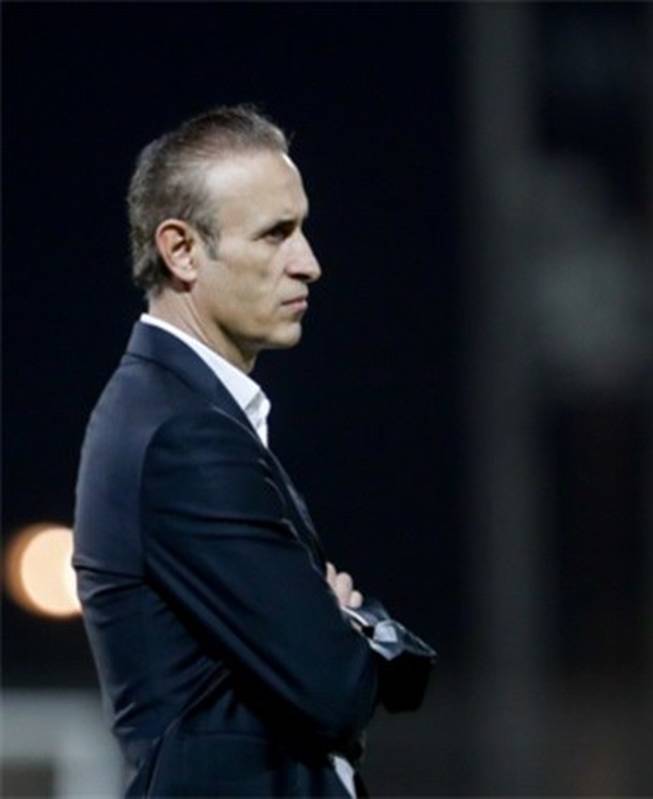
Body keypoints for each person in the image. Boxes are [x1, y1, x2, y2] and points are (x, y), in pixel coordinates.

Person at [72, 104, 435, 797]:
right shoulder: (182, 434)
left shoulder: (181, 412)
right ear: (182, 251)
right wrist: (339, 628)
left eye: (302, 229)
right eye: (275, 234)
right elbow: (335, 686)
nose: (309, 264)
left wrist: (331, 628)